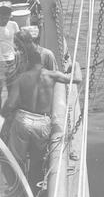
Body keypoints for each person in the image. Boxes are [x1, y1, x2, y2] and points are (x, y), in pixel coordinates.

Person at [0, 45, 82, 193]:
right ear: (42, 63)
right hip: (42, 122)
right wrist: (75, 64)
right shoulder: (52, 75)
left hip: (22, 121)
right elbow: (77, 79)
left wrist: (7, 122)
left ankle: (17, 190)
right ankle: (33, 190)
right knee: (38, 162)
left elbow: (9, 106)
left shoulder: (22, 77)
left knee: (16, 161)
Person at [0, 2, 19, 108]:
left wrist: (17, 51)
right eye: (2, 17)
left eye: (7, 17)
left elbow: (18, 40)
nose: (5, 20)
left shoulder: (13, 25)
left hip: (11, 60)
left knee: (12, 86)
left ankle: (12, 110)